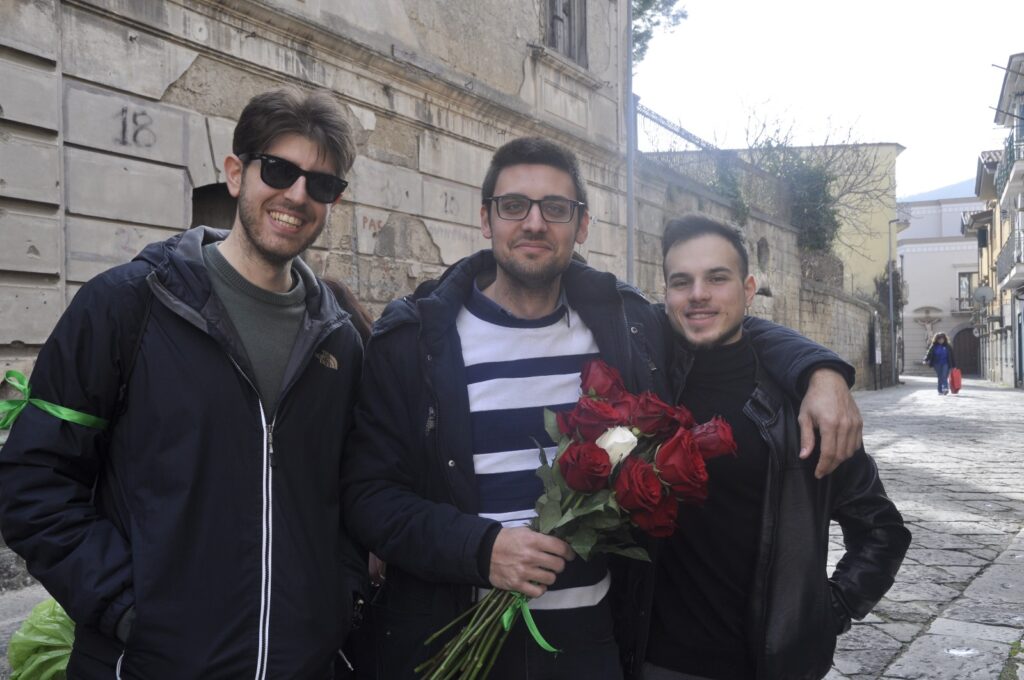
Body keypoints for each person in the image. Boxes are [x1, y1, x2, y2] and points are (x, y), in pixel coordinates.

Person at [341, 137, 866, 679]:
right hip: (453, 635)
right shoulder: (415, 341)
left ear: (583, 226)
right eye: (514, 205)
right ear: (486, 219)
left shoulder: (628, 328)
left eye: (557, 209)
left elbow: (720, 319)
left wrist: (819, 371)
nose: (535, 223)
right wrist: (480, 550)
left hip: (591, 643)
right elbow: (368, 498)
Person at [0, 87, 366, 679]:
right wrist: (127, 608)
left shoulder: (340, 343)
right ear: (234, 172)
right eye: (279, 170)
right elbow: (34, 479)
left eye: (320, 184)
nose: (297, 196)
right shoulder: (126, 305)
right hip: (145, 663)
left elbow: (349, 497)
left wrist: (337, 600)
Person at [619, 214, 911, 680]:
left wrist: (825, 613)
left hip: (763, 666)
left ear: (749, 288)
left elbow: (882, 531)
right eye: (682, 281)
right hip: (651, 662)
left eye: (717, 278)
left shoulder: (802, 409)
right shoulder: (647, 383)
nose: (698, 294)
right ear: (666, 293)